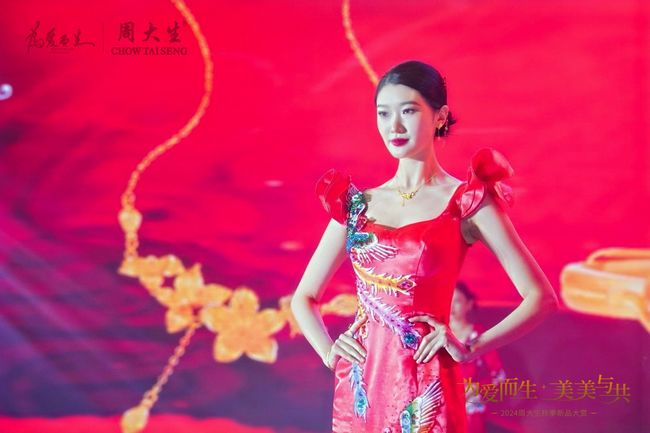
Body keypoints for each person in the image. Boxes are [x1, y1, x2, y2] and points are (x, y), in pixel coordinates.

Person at [290, 60, 558, 433]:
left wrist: (471, 347)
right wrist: (328, 351)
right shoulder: (356, 205)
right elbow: (303, 298)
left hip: (426, 381)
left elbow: (541, 298)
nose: (394, 126)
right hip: (362, 384)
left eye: (409, 111)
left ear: (440, 116)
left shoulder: (465, 202)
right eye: (383, 113)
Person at [451, 281, 507, 433]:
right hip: (438, 401)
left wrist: (477, 388)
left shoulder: (478, 335)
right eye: (448, 299)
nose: (451, 306)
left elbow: (499, 376)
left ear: (469, 304)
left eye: (457, 301)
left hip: (469, 404)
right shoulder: (434, 333)